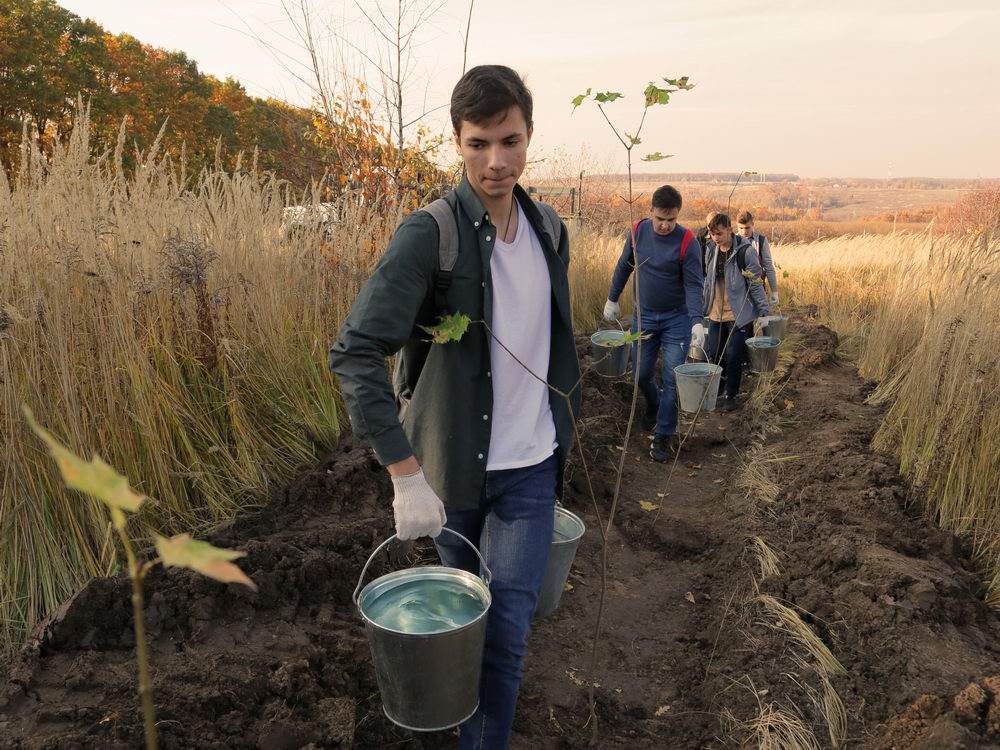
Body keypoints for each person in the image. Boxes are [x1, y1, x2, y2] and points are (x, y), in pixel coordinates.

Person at [329, 64, 580, 749]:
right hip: (451, 471)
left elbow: (552, 339)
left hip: (531, 468)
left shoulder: (550, 230)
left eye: (510, 140)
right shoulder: (429, 233)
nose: (496, 161)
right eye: (478, 144)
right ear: (457, 141)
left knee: (506, 631)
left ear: (529, 136)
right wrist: (405, 472)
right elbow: (355, 352)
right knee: (465, 633)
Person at [603, 185, 704, 461]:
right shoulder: (638, 233)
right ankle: (654, 403)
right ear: (651, 212)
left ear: (677, 216)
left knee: (672, 378)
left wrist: (697, 322)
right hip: (643, 316)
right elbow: (625, 265)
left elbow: (694, 286)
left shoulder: (687, 242)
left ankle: (663, 436)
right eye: (660, 219)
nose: (665, 225)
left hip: (676, 319)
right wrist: (612, 298)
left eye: (671, 220)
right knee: (640, 374)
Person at [701, 213, 770, 411]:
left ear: (730, 230)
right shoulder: (711, 250)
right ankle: (720, 385)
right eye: (712, 234)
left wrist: (764, 311)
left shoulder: (745, 252)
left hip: (738, 314)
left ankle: (731, 395)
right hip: (715, 313)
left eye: (719, 233)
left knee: (733, 355)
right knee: (714, 353)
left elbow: (755, 284)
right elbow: (708, 281)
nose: (716, 238)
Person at [736, 210, 779, 305]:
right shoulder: (732, 241)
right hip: (737, 289)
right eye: (741, 228)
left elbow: (768, 266)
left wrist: (774, 291)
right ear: (736, 226)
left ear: (753, 224)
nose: (744, 231)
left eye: (747, 228)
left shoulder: (761, 241)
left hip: (757, 286)